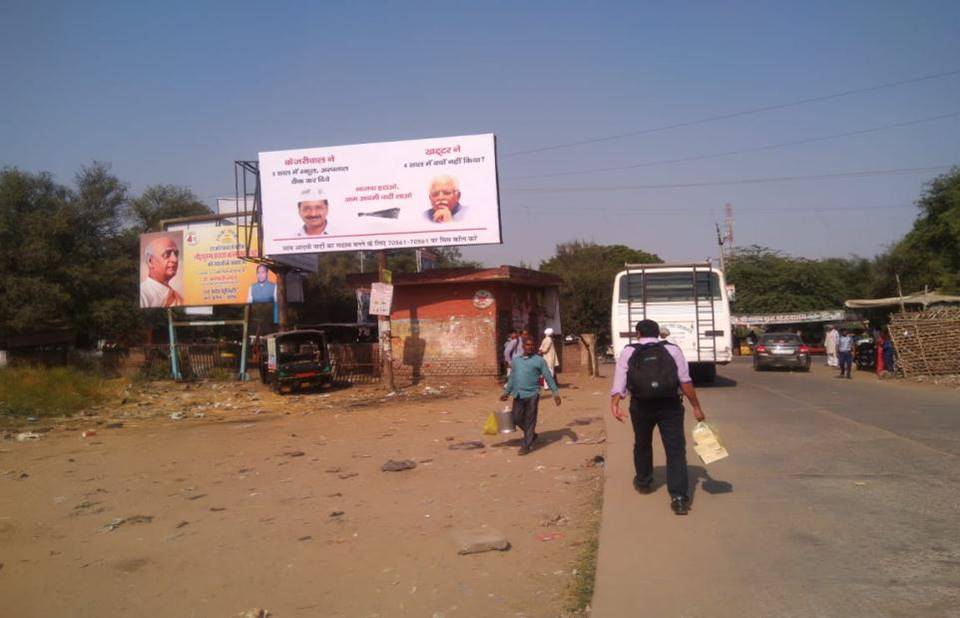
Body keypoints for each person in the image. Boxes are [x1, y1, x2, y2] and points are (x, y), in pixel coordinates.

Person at [610, 319, 706, 516]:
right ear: (659, 333)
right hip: (670, 405)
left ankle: (644, 482)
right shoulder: (673, 349)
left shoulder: (629, 351)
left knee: (642, 443)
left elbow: (619, 382)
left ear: (638, 334)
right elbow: (685, 381)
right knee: (675, 450)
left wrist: (615, 404)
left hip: (641, 405)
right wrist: (696, 407)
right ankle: (679, 497)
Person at [500, 335, 561, 455]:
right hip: (518, 394)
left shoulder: (539, 361)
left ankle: (526, 445)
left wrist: (555, 393)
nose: (530, 347)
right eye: (528, 345)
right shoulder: (516, 361)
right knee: (516, 418)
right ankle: (531, 434)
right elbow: (512, 378)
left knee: (530, 420)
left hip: (532, 394)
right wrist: (506, 393)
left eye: (532, 345)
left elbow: (548, 377)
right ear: (523, 346)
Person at [140, 235, 184, 308]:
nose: (175, 260)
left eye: (176, 254)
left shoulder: (176, 296)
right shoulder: (143, 294)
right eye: (167, 254)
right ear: (150, 261)